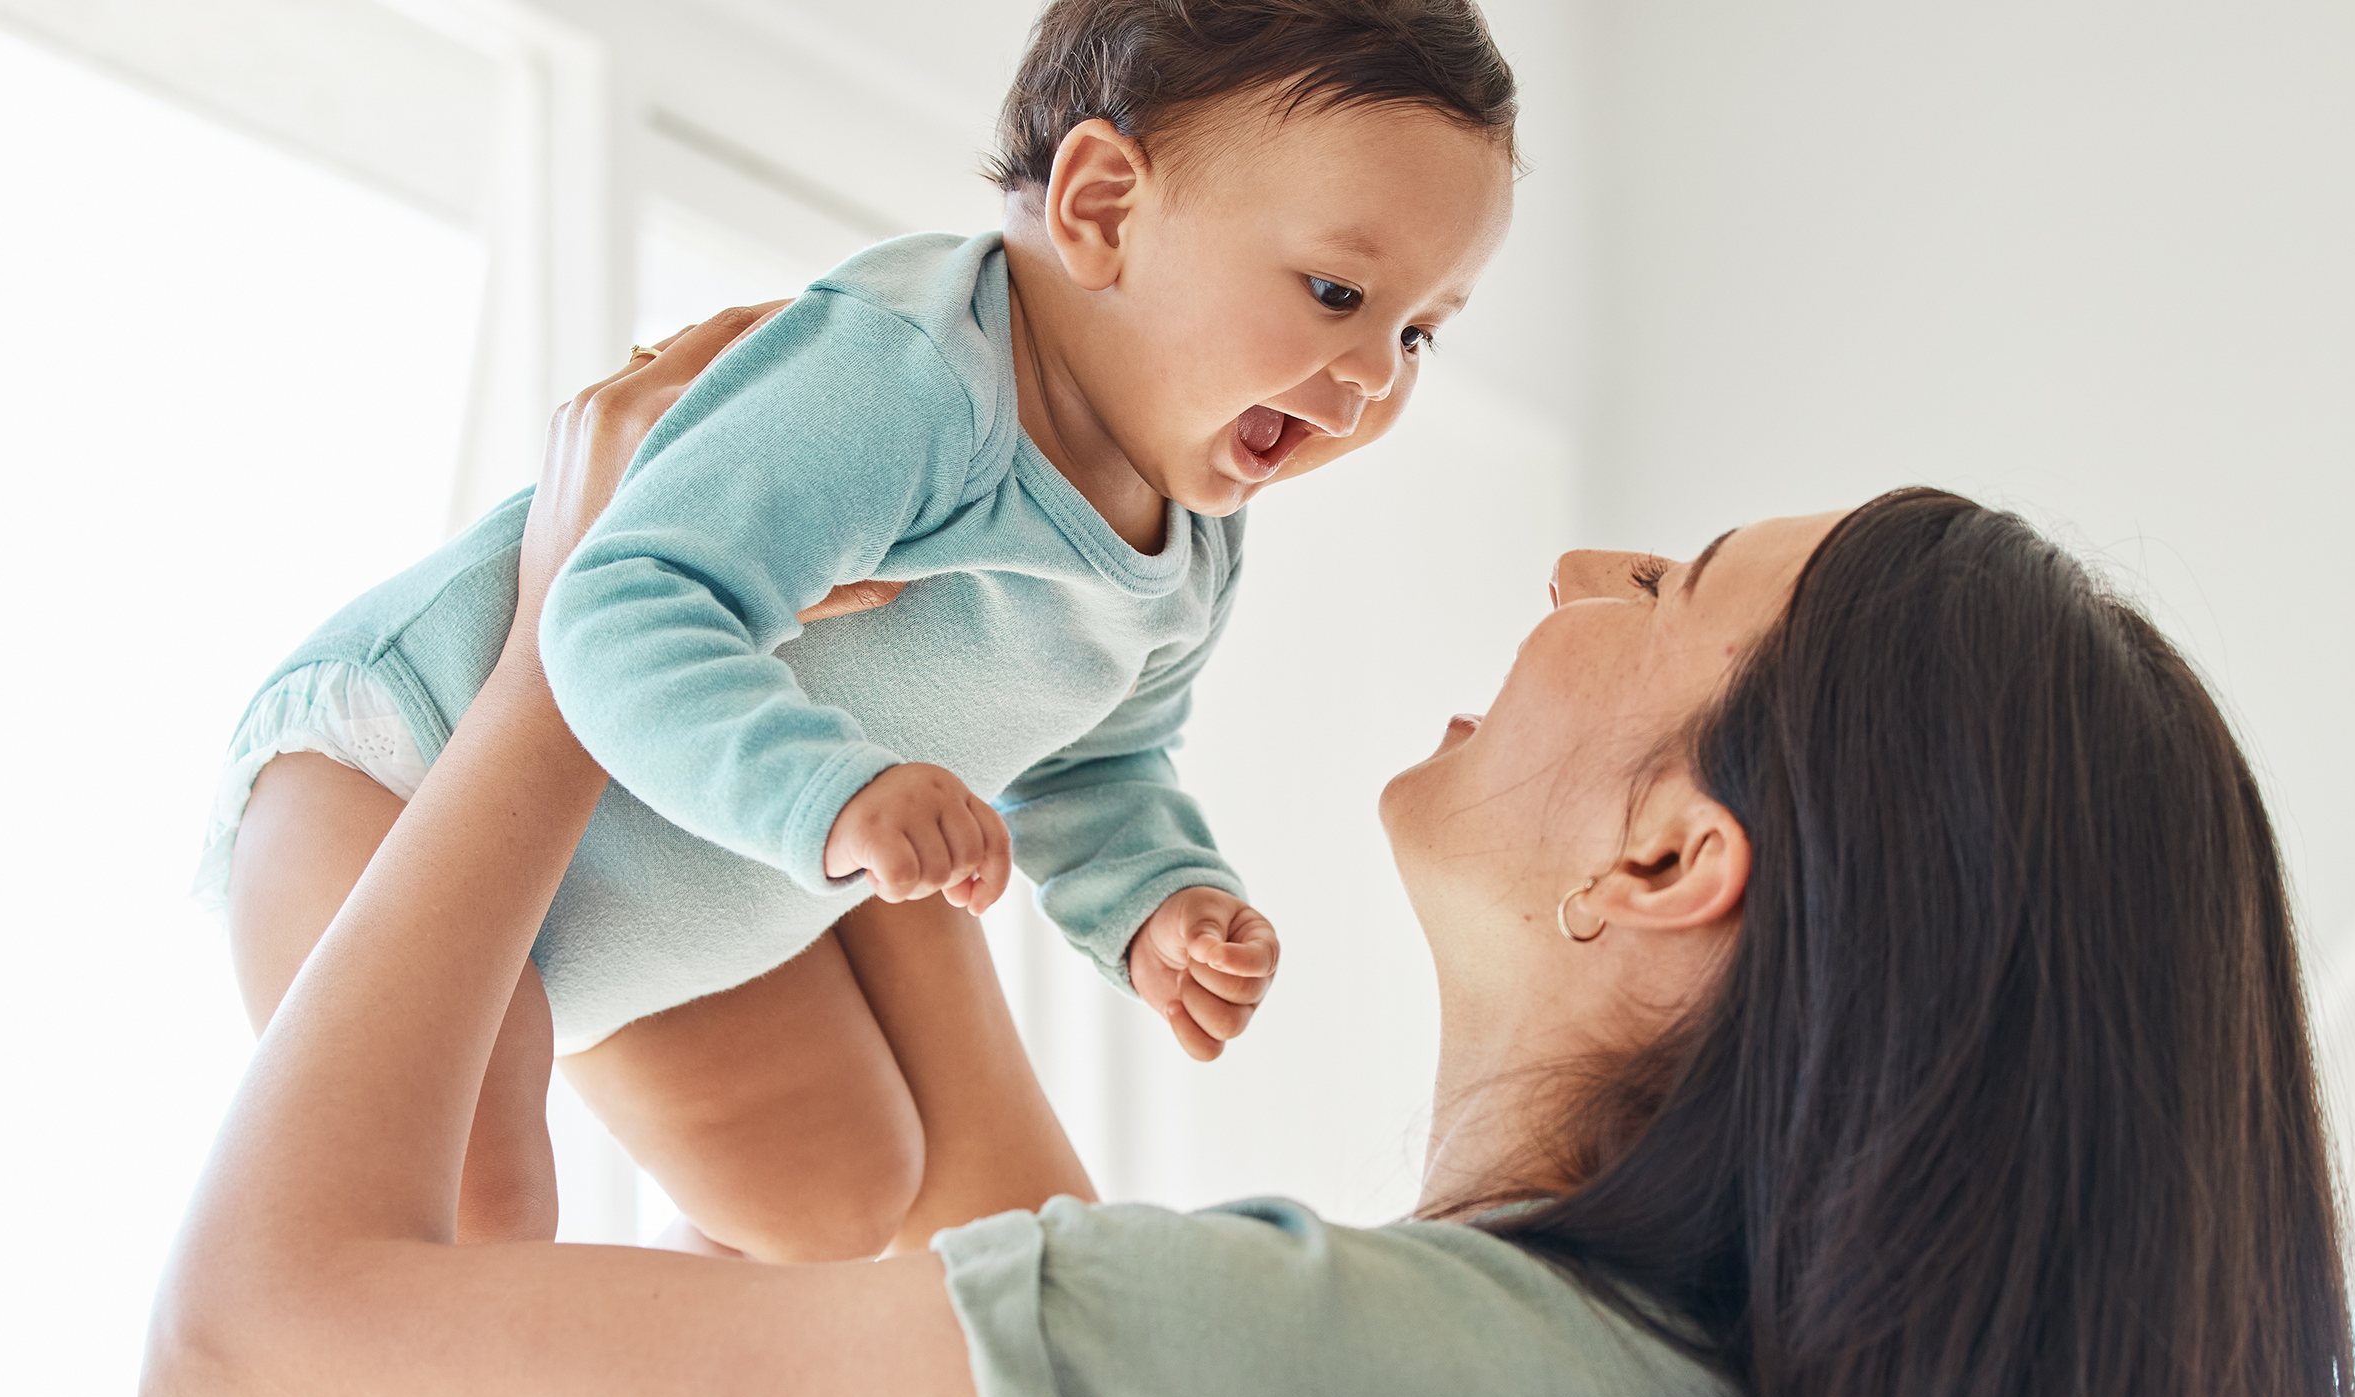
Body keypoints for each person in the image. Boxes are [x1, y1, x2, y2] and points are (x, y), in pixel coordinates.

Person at [144, 314, 2355, 1397]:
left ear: (1673, 864)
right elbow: (989, 1265)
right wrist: (902, 691)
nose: (1592, 562)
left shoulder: (1334, 1392)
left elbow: (256, 1354)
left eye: (1673, 586)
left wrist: (569, 641)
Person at [197, 0, 1519, 1298]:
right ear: (1102, 208)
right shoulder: (917, 379)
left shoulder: (1196, 548)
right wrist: (834, 792)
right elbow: (614, 605)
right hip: (397, 767)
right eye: (1338, 291)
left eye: (1417, 332)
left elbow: (1099, 760)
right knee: (468, 1209)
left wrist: (1155, 902)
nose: (1377, 379)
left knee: (832, 1193)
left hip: (649, 874)